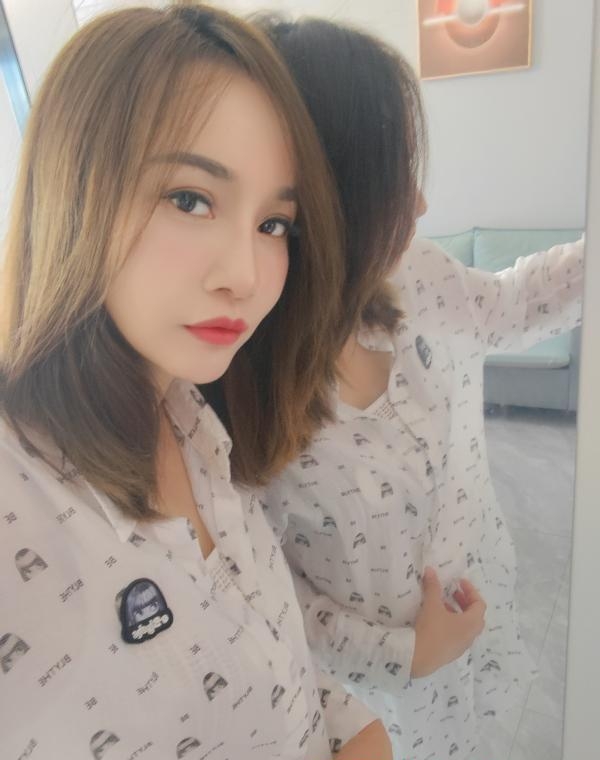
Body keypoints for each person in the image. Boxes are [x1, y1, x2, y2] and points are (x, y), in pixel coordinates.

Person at [0, 6, 392, 759]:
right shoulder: (20, 495)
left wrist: (353, 726)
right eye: (190, 199)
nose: (245, 275)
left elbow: (260, 657)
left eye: (274, 225)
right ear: (73, 190)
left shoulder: (195, 418)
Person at [234, 15, 582, 760]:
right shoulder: (239, 390)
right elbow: (261, 591)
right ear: (331, 195)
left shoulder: (410, 273)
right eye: (396, 179)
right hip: (366, 694)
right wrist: (408, 654)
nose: (421, 206)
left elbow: (507, 306)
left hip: (463, 622)